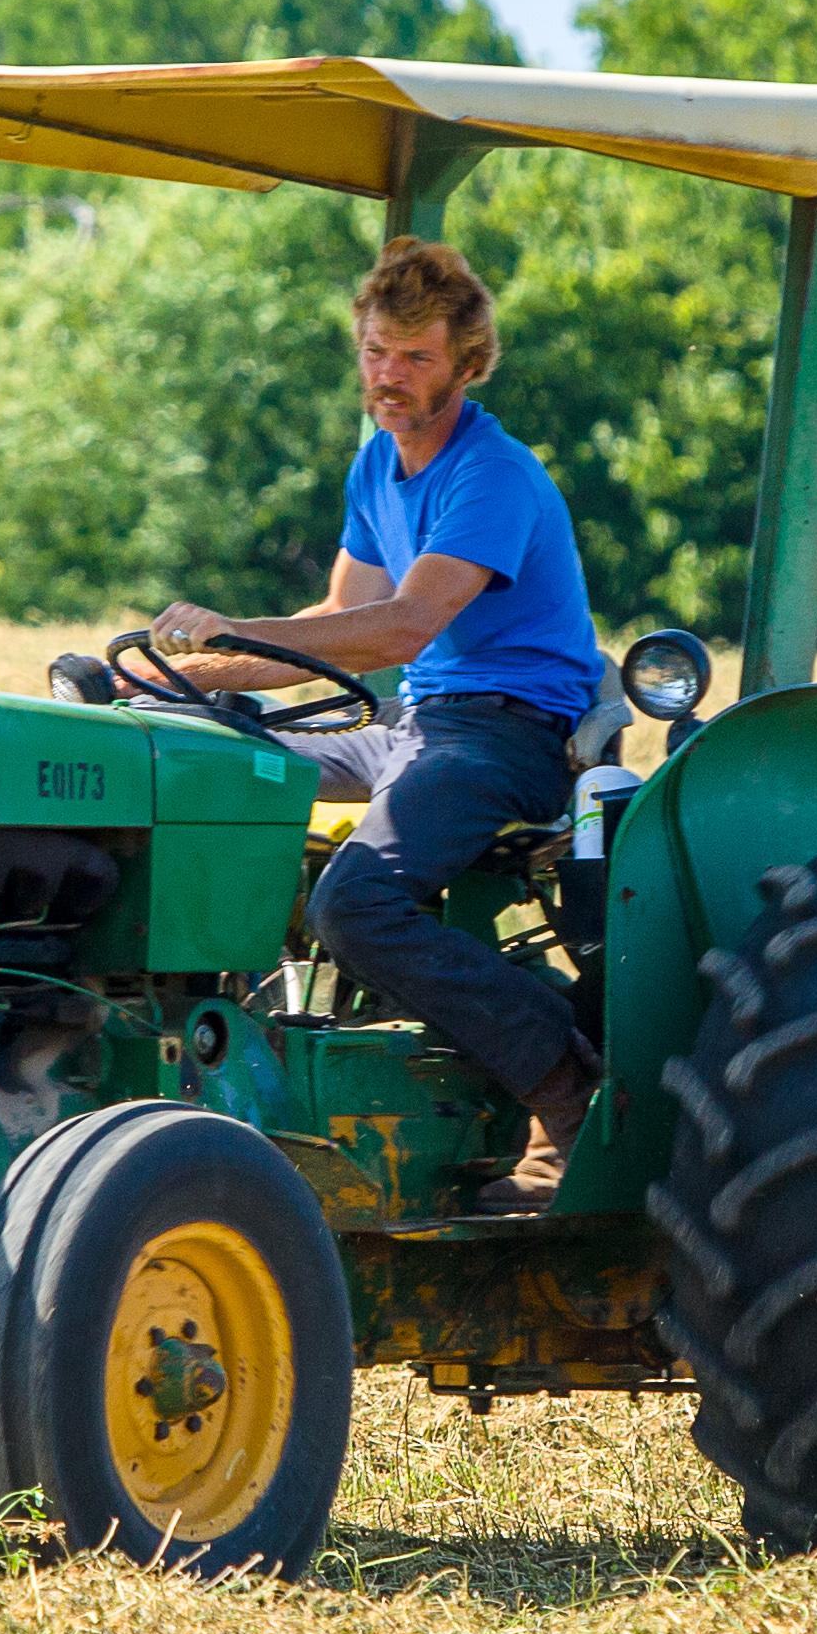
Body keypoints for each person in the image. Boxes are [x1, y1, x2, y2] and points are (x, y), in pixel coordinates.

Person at [143, 237, 607, 1202]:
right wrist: (178, 673)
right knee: (201, 771)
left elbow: (402, 625)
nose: (389, 378)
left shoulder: (492, 474)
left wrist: (228, 627)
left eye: (416, 358)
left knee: (352, 905)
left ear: (466, 363)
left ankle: (566, 1088)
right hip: (414, 722)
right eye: (374, 354)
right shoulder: (375, 466)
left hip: (506, 734)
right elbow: (326, 627)